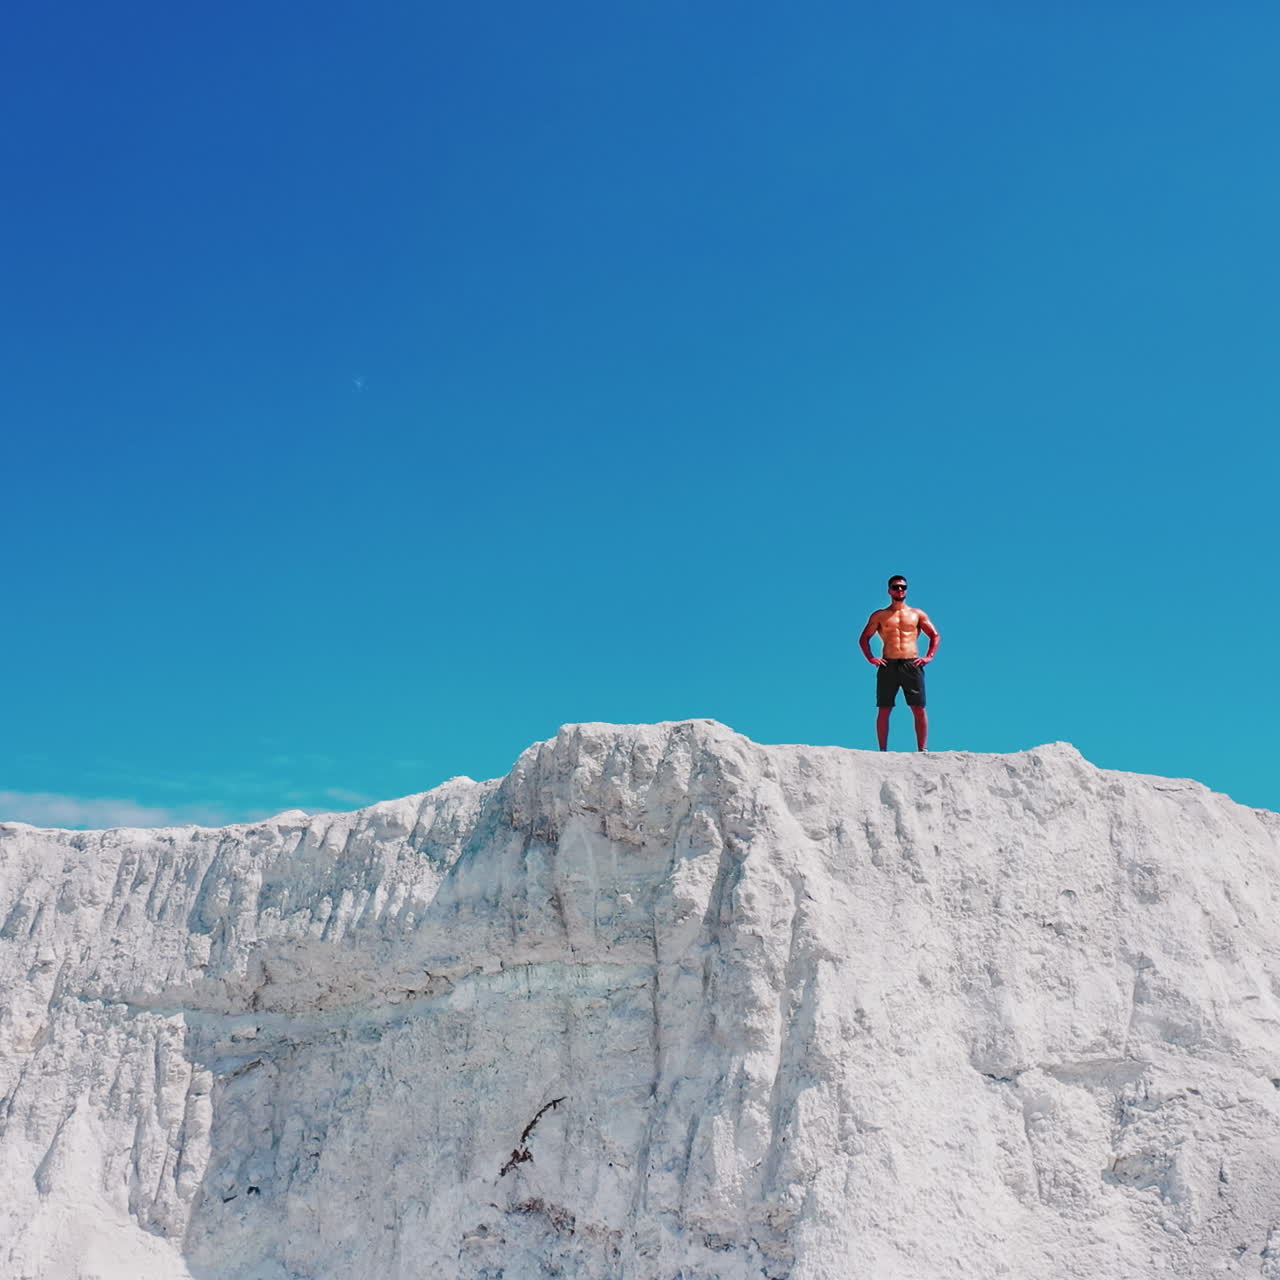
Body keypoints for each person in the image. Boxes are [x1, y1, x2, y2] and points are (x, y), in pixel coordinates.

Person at [859, 575, 939, 752]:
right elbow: (864, 638)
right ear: (889, 590)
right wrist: (871, 658)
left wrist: (929, 656)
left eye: (903, 587)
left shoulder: (917, 614)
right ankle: (882, 750)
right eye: (896, 587)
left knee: (918, 707)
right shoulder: (880, 615)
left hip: (911, 663)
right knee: (884, 708)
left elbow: (934, 635)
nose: (900, 590)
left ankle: (922, 749)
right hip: (888, 664)